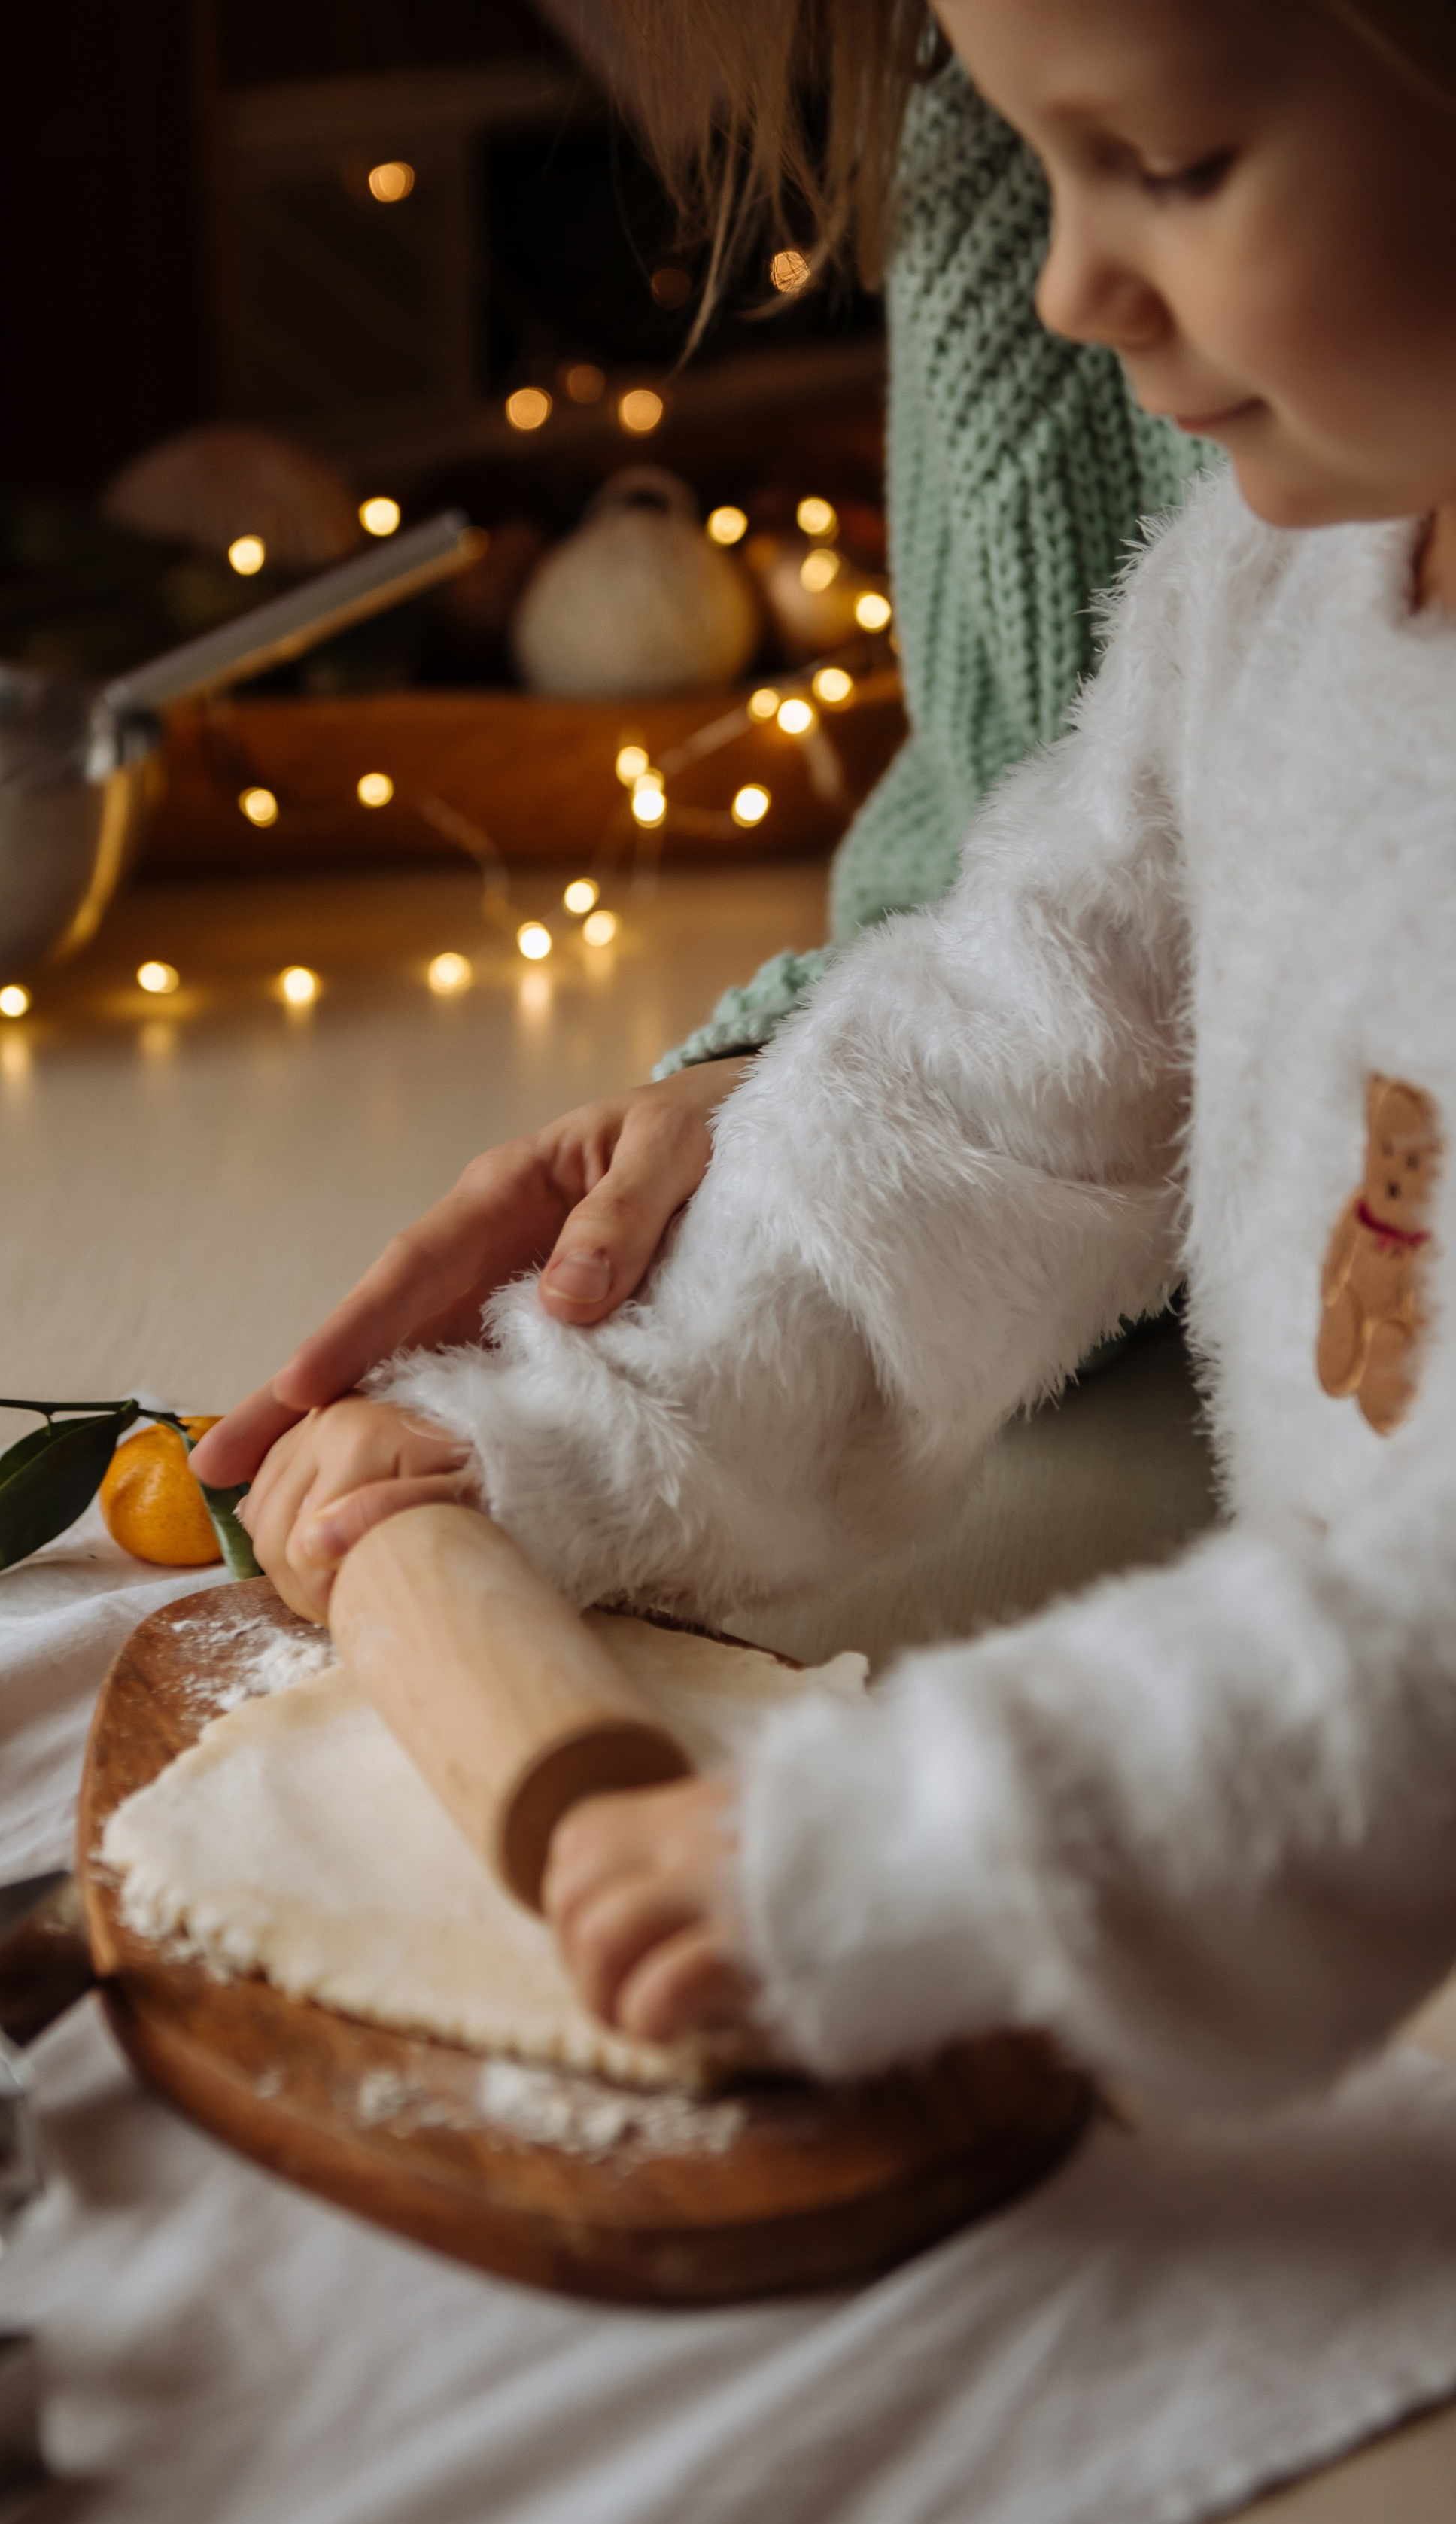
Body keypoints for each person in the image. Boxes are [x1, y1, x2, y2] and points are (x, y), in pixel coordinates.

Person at [201, 0, 1456, 2116]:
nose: (1069, 287)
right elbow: (977, 1079)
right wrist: (563, 1442)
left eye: (1167, 165)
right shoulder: (1269, 584)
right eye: (1041, 167)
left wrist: (910, 1851)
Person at [196, 8, 1213, 1490]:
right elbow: (1071, 915)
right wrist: (774, 1103)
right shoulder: (980, 124)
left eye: (1181, 164)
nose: (1073, 289)